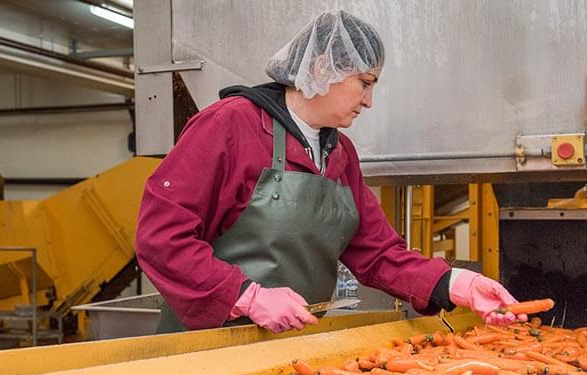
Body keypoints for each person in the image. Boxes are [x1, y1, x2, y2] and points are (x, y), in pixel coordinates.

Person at [135, 10, 526, 334]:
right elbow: (161, 236)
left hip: (289, 347)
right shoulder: (230, 126)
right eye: (364, 84)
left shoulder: (339, 153)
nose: (369, 102)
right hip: (204, 347)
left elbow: (377, 253)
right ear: (323, 67)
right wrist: (247, 296)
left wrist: (458, 284)